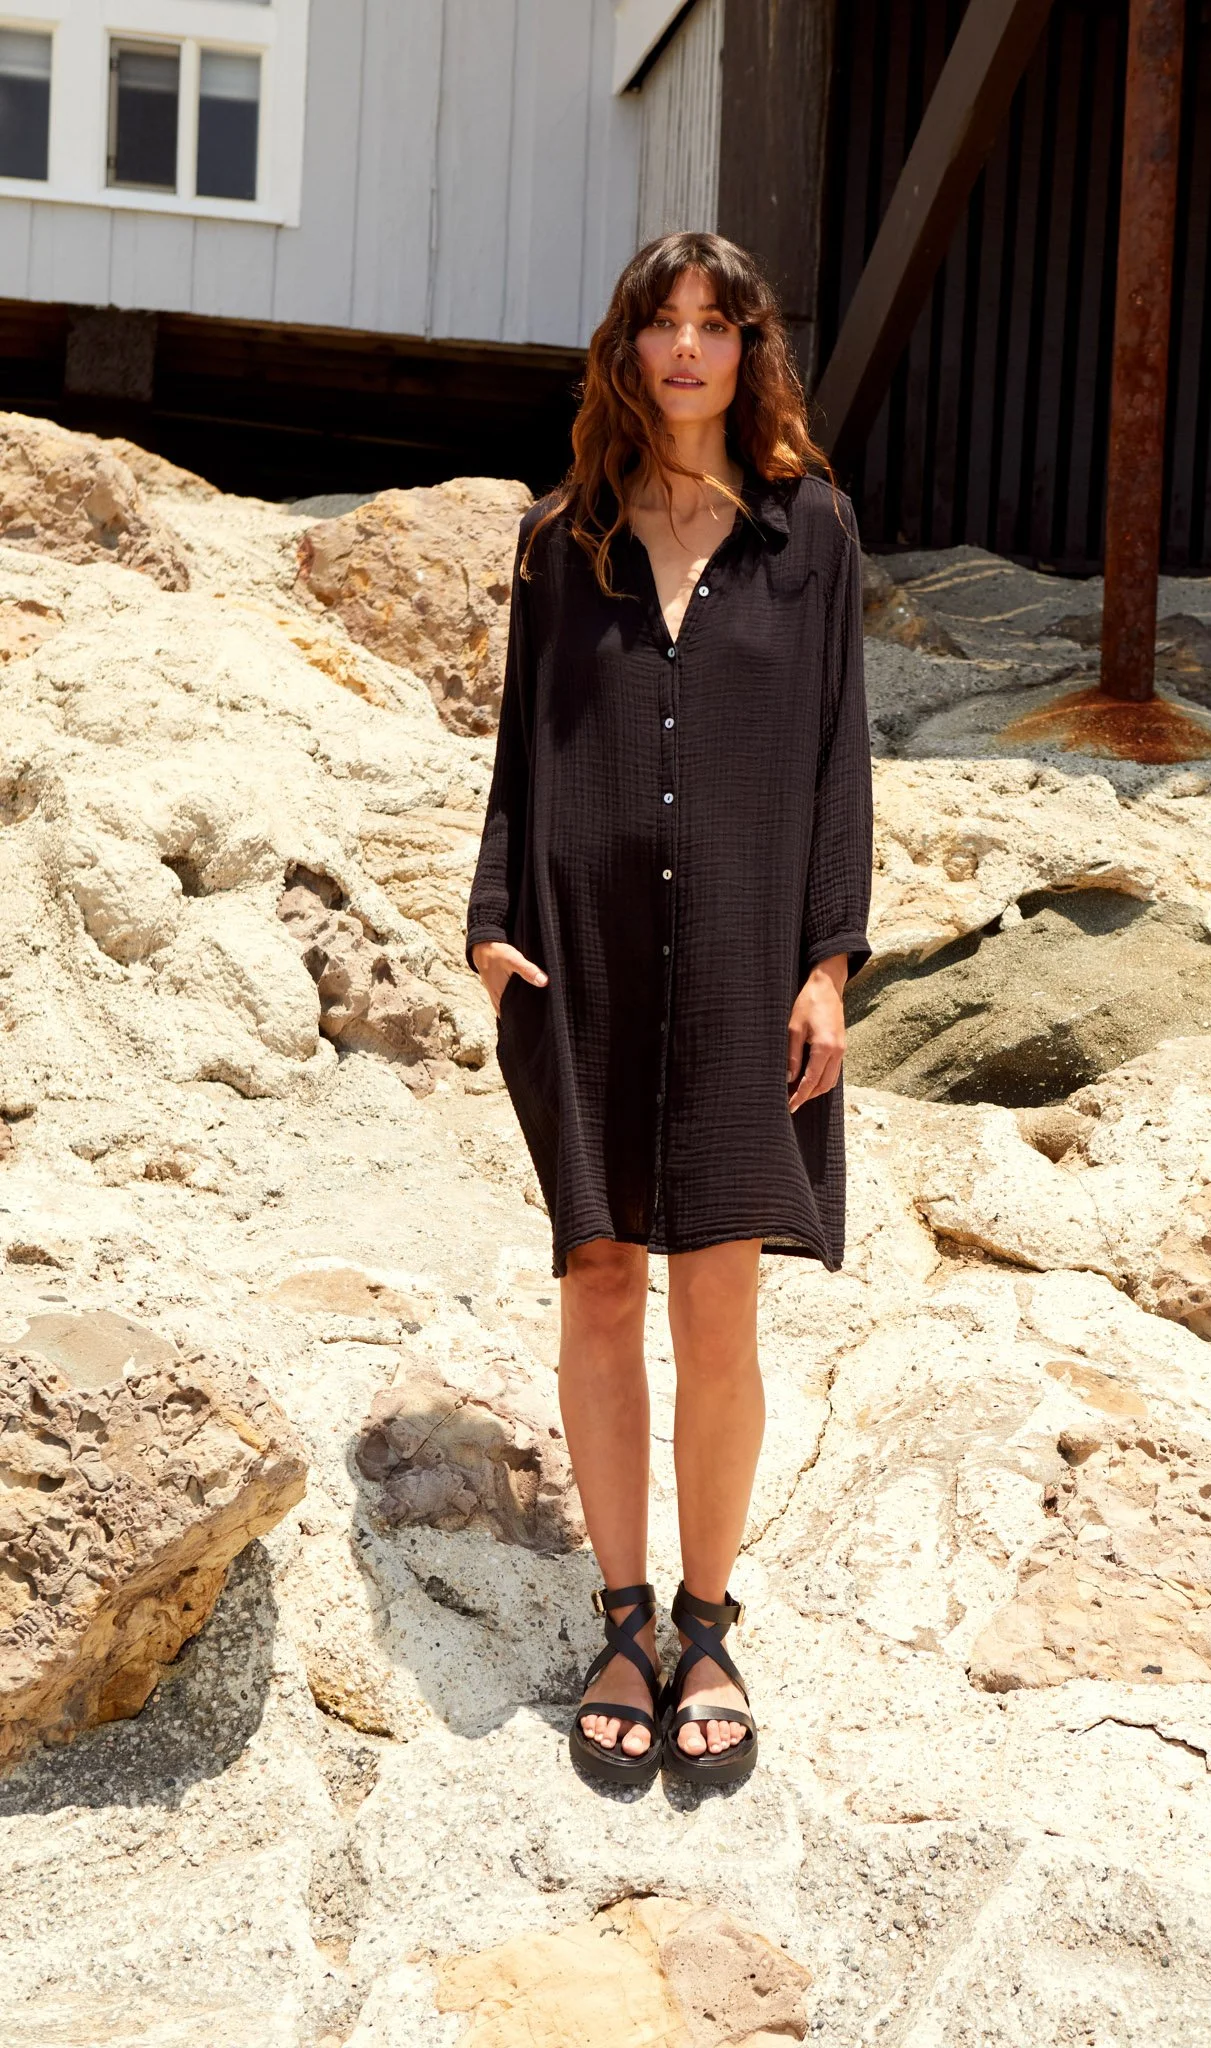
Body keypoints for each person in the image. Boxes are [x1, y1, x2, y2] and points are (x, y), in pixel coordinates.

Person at [464, 231, 872, 1788]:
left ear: (749, 351)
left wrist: (829, 962)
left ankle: (709, 1623)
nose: (689, 348)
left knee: (716, 1300)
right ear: (628, 348)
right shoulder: (556, 538)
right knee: (598, 1284)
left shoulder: (808, 528)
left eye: (717, 324)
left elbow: (840, 755)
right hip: (585, 957)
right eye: (664, 323)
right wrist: (490, 924)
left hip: (744, 967)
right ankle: (622, 1618)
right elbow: (520, 751)